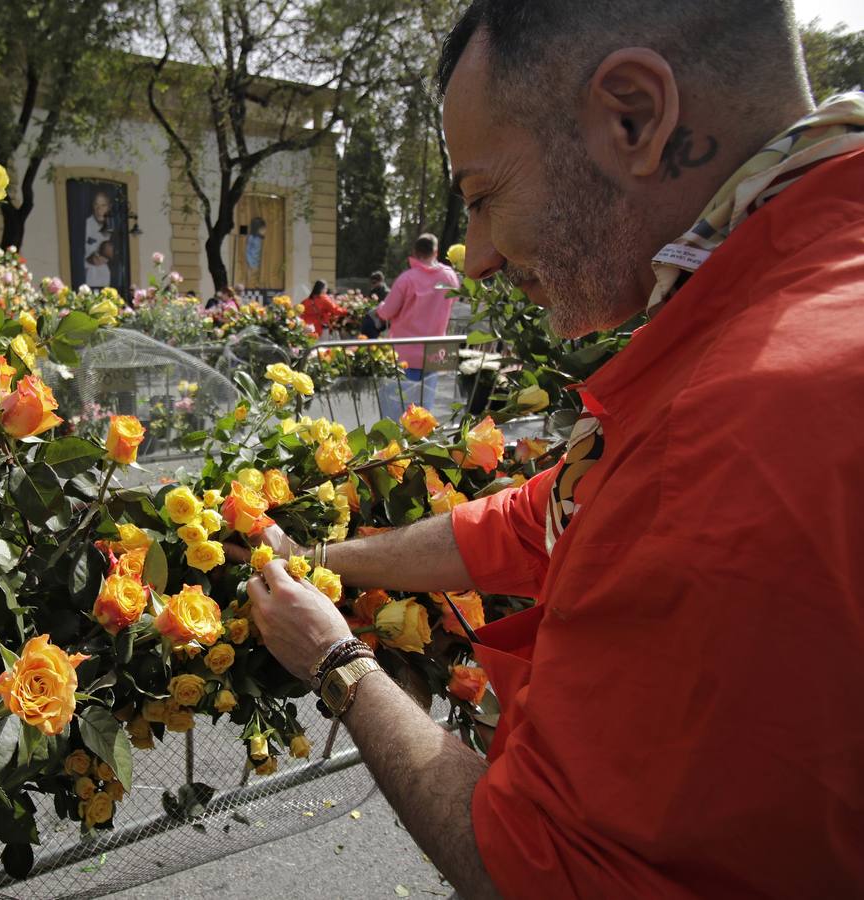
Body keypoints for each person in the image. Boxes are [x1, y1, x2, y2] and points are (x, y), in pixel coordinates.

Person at [229, 2, 864, 898]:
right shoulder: (793, 286)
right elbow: (543, 516)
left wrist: (335, 661)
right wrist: (324, 560)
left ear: (633, 116)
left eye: (484, 196)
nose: (475, 257)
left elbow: (543, 868)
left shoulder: (733, 422)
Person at [375, 234, 460, 414]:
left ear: (415, 252)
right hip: (437, 351)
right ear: (436, 252)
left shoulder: (407, 279)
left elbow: (387, 312)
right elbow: (454, 302)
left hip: (406, 351)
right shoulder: (450, 277)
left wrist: (379, 307)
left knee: (401, 409)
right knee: (425, 408)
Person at [360, 271, 388, 339]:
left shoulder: (386, 292)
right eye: (372, 283)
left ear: (381, 281)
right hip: (372, 319)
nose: (373, 285)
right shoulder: (373, 291)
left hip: (381, 321)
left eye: (375, 283)